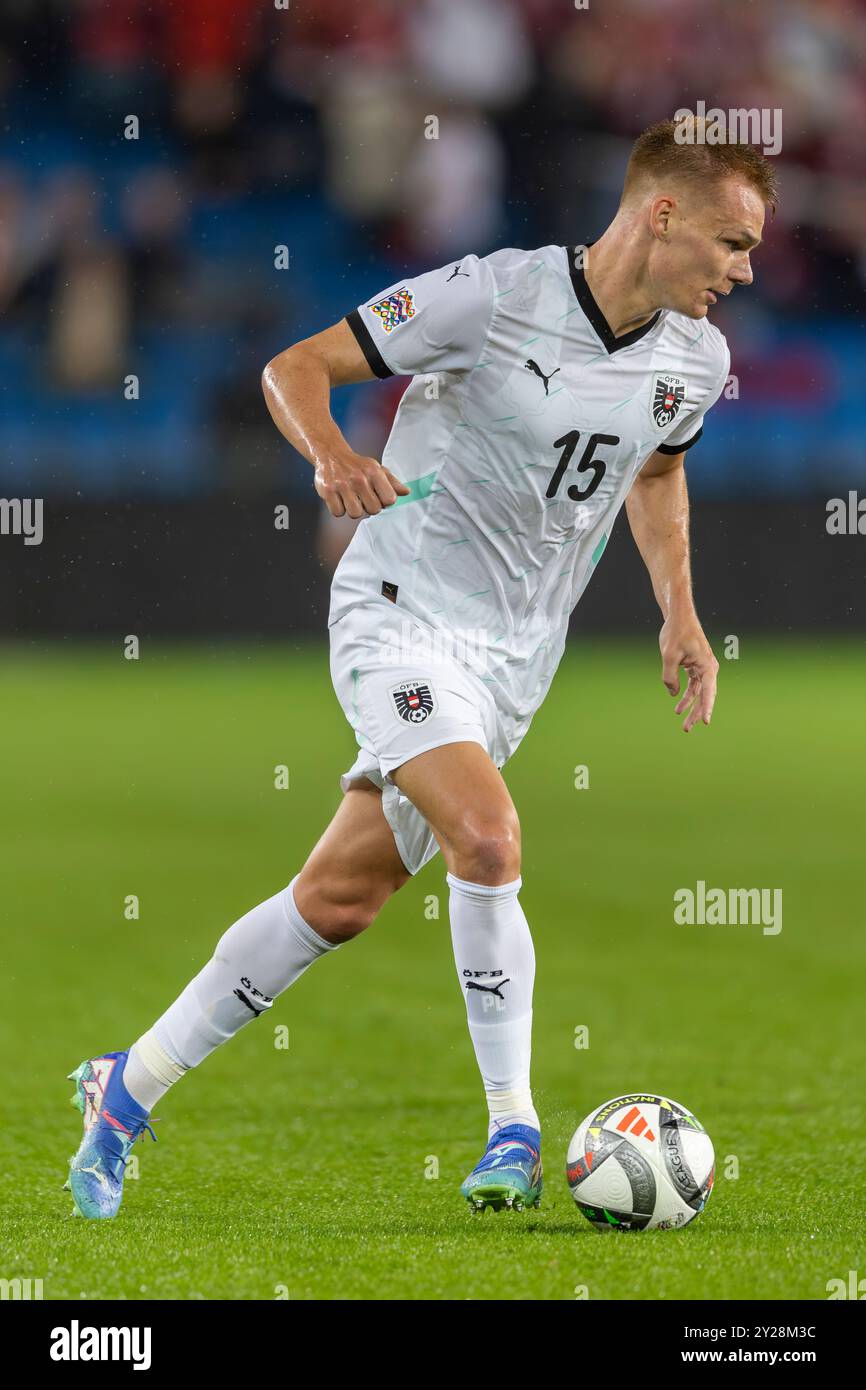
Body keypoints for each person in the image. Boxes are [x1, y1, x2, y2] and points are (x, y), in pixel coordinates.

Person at [64, 116, 775, 1218]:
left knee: (341, 898)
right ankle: (515, 1130)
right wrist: (335, 454)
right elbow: (294, 367)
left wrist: (678, 611)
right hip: (401, 614)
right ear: (660, 214)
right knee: (486, 838)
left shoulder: (696, 358)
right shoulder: (489, 297)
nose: (744, 269)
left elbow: (652, 476)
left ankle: (128, 1083)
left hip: (514, 658)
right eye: (731, 242)